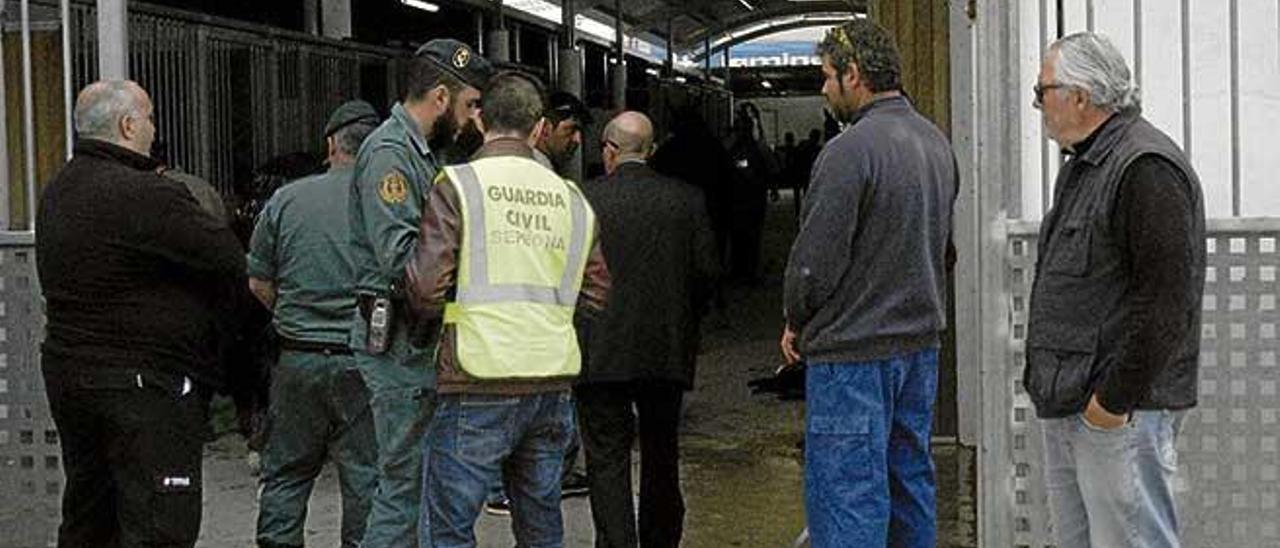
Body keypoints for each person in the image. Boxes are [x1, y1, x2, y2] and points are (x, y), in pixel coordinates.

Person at [36, 80, 245, 547]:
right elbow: (227, 258)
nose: (153, 128)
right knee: (158, 521)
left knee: (90, 515)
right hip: (145, 387)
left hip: (71, 376)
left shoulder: (57, 192)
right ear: (128, 125)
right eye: (149, 117)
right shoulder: (148, 195)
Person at [404, 71, 610, 547]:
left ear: (480, 120)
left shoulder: (457, 185)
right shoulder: (571, 198)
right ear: (539, 128)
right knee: (541, 524)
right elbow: (598, 293)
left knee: (449, 527)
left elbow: (425, 289)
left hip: (476, 378)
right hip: (552, 383)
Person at [1024, 32, 1205, 548]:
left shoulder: (1144, 167)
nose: (1039, 105)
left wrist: (1110, 403)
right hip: (1077, 403)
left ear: (1080, 96)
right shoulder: (1086, 164)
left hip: (1118, 413)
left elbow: (1167, 302)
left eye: (1044, 91)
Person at [779, 21, 956, 547]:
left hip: (853, 358)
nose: (825, 89)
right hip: (918, 350)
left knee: (849, 496)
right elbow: (945, 251)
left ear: (854, 74)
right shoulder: (935, 143)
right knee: (909, 485)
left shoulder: (848, 151)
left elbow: (814, 263)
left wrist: (796, 320)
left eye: (828, 77)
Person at [346, 39, 493, 548]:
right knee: (403, 487)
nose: (475, 117)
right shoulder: (391, 154)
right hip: (399, 345)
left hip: (416, 343)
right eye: (471, 104)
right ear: (439, 97)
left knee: (421, 481)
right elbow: (402, 258)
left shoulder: (423, 152)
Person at [576, 111, 718, 548]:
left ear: (609, 150)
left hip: (599, 351)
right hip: (664, 351)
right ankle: (661, 539)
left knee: (606, 458)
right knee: (661, 453)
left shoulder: (583, 198)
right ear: (651, 151)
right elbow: (706, 273)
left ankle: (617, 542)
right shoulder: (686, 199)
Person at [248, 100, 382, 548]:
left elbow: (258, 281)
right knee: (366, 477)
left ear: (330, 144)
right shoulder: (387, 202)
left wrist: (293, 313)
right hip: (365, 361)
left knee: (286, 472)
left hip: (298, 359)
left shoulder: (287, 200)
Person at [484, 89, 594, 517]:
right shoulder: (542, 180)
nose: (577, 140)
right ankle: (510, 487)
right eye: (571, 129)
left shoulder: (488, 172)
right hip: (530, 324)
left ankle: (509, 485)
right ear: (542, 126)